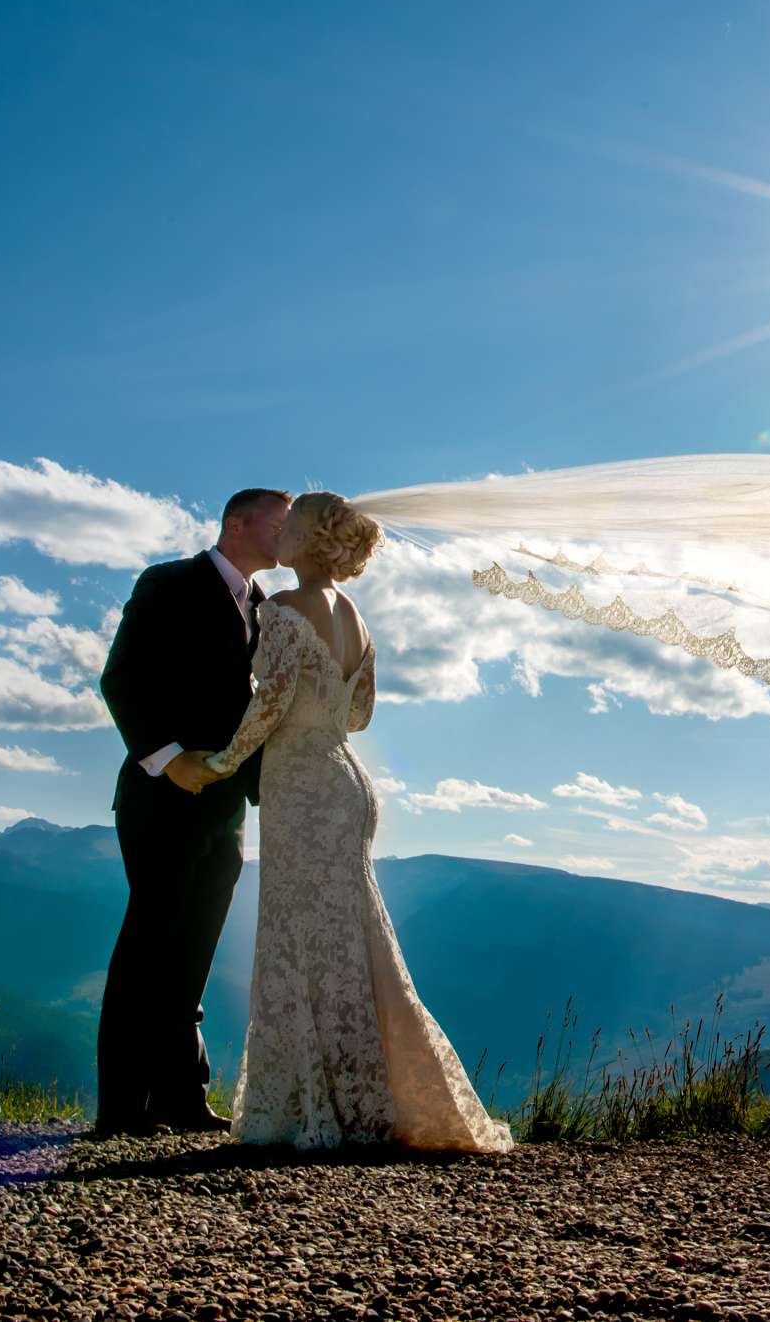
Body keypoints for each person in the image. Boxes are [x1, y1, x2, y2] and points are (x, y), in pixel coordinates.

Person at [175, 491, 512, 1152]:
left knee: (299, 939)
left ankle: (309, 1104)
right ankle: (373, 1098)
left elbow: (269, 702)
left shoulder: (282, 610)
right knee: (354, 938)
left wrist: (220, 761)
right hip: (348, 780)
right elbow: (358, 717)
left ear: (314, 539)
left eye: (293, 526)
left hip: (301, 781)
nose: (284, 535)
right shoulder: (355, 617)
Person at [92, 486, 290, 1137]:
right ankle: (120, 1108)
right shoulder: (169, 583)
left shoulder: (268, 610)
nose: (288, 534)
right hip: (159, 797)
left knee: (195, 951)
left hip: (227, 810)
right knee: (149, 944)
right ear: (238, 521)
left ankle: (181, 1095)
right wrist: (169, 756)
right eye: (279, 522)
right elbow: (122, 677)